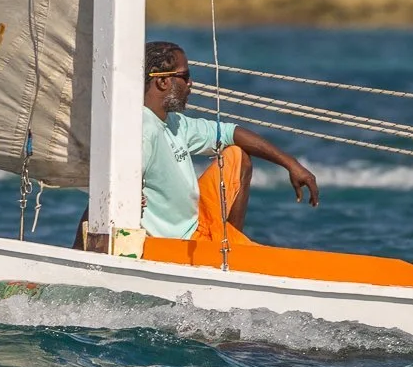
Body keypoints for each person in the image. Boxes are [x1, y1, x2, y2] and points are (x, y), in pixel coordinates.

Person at [137, 40, 319, 241]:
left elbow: (230, 133)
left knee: (237, 154)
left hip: (196, 223)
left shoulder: (175, 121)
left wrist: (291, 164)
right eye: (185, 77)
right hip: (176, 240)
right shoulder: (144, 128)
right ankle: (232, 252)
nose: (190, 84)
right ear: (163, 82)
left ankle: (229, 244)